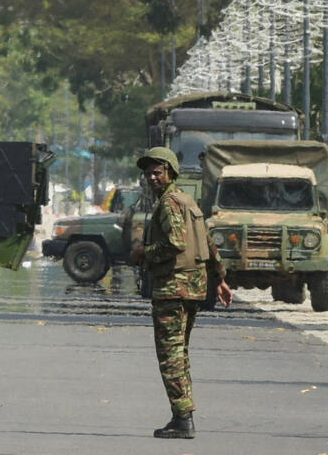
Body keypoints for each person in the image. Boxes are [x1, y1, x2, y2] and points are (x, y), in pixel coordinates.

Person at [130, 146, 233, 439]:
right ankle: (181, 415)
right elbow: (208, 243)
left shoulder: (169, 204)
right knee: (180, 353)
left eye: (158, 172)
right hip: (193, 288)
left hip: (172, 289)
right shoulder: (189, 202)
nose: (152, 178)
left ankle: (183, 417)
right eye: (148, 173)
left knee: (170, 356)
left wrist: (143, 253)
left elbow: (175, 243)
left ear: (170, 172)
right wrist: (220, 278)